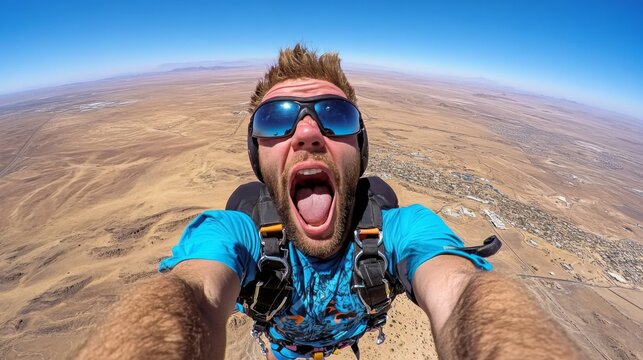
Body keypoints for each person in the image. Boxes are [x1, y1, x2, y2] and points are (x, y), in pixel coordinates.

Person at [77, 44, 582, 360]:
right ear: (258, 157)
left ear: (358, 148)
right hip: (286, 348)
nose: (307, 133)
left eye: (334, 114)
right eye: (277, 119)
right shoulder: (237, 232)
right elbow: (189, 297)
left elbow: (462, 295)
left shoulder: (396, 230)